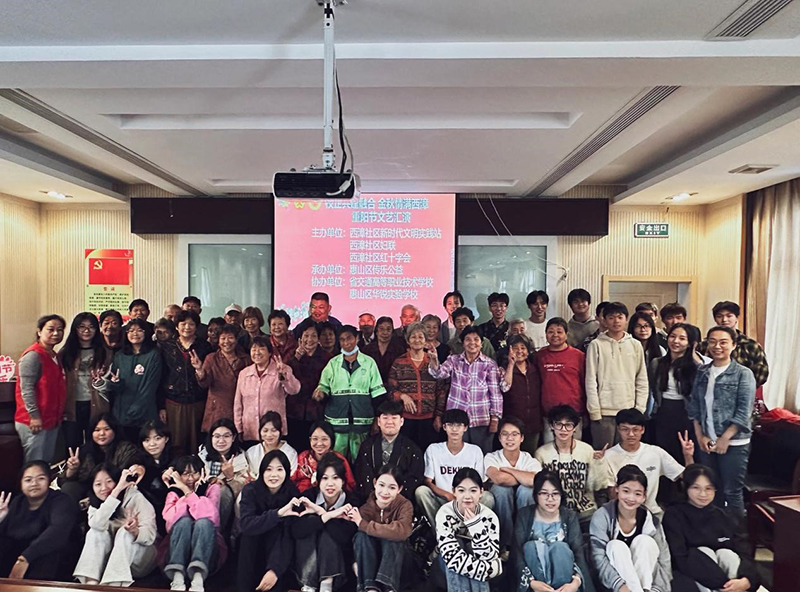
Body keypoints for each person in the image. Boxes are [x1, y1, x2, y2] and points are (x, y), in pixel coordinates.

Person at [688, 325, 756, 518]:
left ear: (733, 345)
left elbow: (744, 411)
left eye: (723, 342)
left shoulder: (743, 373)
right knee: (710, 488)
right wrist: (700, 436)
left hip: (734, 442)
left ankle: (737, 534)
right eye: (712, 342)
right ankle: (715, 530)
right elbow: (694, 407)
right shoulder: (702, 371)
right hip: (707, 441)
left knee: (731, 491)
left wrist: (725, 438)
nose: (717, 346)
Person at [663, 464, 761, 592]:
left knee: (726, 554)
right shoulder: (674, 515)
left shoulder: (726, 516)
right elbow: (680, 558)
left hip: (729, 579)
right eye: (696, 488)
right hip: (694, 577)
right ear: (685, 487)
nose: (703, 494)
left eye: (708, 488)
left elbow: (745, 553)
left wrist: (747, 580)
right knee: (703, 552)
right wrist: (723, 584)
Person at [589, 465, 671, 592]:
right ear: (617, 489)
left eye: (637, 494)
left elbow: (664, 559)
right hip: (614, 586)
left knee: (645, 541)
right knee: (615, 546)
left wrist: (659, 589)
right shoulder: (602, 516)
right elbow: (598, 559)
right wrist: (621, 586)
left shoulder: (649, 519)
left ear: (644, 496)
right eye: (626, 491)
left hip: (647, 586)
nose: (631, 498)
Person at [73, 464, 157, 586]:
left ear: (118, 480)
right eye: (98, 484)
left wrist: (135, 531)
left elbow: (150, 536)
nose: (104, 488)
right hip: (108, 563)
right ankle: (91, 583)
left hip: (140, 560)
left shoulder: (136, 497)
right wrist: (116, 492)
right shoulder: (95, 504)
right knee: (94, 532)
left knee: (125, 532)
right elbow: (96, 524)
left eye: (109, 482)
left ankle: (113, 585)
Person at [511, 471, 595, 592]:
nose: (550, 499)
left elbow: (578, 553)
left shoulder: (569, 516)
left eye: (555, 493)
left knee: (560, 548)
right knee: (530, 547)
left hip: (566, 585)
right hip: (535, 585)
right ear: (536, 495)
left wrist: (575, 583)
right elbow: (517, 553)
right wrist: (531, 582)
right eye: (544, 493)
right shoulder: (524, 515)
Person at [314, 325, 387, 462]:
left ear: (357, 338)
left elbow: (378, 395)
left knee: (361, 460)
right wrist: (320, 393)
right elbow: (323, 387)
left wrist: (377, 420)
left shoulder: (369, 363)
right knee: (336, 460)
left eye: (349, 338)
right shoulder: (333, 364)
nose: (346, 343)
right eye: (342, 339)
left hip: (363, 421)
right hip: (337, 421)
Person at [603, 409, 694, 518]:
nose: (630, 434)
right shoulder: (608, 456)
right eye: (625, 429)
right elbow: (611, 495)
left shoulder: (655, 452)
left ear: (643, 430)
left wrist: (688, 456)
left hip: (652, 512)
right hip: (622, 513)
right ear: (618, 429)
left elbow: (689, 477)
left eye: (635, 429)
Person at [415, 409, 494, 532]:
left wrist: (464, 497)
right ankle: (441, 531)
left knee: (488, 497)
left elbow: (480, 483)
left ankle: (468, 532)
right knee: (421, 491)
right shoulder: (434, 449)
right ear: (444, 427)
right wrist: (447, 495)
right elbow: (428, 481)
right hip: (442, 498)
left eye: (459, 425)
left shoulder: (475, 451)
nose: (454, 429)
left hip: (468, 500)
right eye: (450, 425)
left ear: (465, 428)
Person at [0, 461, 80, 580]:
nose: (34, 483)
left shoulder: (62, 500)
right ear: (21, 483)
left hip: (50, 558)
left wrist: (25, 558)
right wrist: (1, 519)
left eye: (40, 478)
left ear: (49, 481)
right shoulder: (17, 502)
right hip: (19, 557)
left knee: (49, 553)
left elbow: (57, 532)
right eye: (28, 480)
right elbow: (6, 537)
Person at [292, 453, 359, 592]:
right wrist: (328, 515)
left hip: (339, 569)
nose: (330, 483)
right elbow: (296, 531)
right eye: (325, 478)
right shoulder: (308, 498)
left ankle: (326, 584)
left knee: (328, 533)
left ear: (343, 481)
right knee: (310, 524)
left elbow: (346, 538)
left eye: (335, 478)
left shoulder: (352, 502)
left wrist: (321, 514)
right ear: (318, 481)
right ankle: (309, 584)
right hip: (306, 567)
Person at [585, 302, 649, 450]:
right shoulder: (596, 344)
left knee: (627, 453)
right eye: (611, 317)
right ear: (604, 320)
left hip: (629, 410)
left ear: (626, 319)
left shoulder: (635, 345)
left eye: (620, 317)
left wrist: (639, 409)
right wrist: (594, 411)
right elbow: (590, 380)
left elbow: (641, 379)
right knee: (603, 453)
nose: (616, 321)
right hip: (604, 411)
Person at [429, 326, 502, 453]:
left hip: (481, 419)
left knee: (481, 455)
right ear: (463, 343)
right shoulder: (454, 360)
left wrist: (495, 418)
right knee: (458, 455)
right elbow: (439, 374)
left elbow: (495, 394)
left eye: (476, 339)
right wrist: (434, 360)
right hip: (456, 420)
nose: (472, 343)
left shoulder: (489, 364)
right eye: (468, 339)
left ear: (481, 343)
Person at [161, 455, 227, 592]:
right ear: (178, 475)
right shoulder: (173, 491)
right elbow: (170, 522)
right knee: (184, 522)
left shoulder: (211, 488)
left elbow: (211, 516)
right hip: (175, 553)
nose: (190, 478)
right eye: (185, 474)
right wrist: (183, 492)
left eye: (195, 473)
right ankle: (177, 576)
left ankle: (198, 576)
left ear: (202, 472)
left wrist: (188, 493)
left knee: (203, 523)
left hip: (208, 554)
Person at [237, 450, 301, 592]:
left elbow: (288, 535)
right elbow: (246, 524)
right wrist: (277, 514)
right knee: (248, 536)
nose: (274, 475)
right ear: (262, 471)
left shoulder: (292, 493)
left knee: (280, 530)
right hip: (253, 550)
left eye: (279, 469)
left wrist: (275, 569)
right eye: (269, 469)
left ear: (287, 472)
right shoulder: (251, 489)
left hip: (279, 553)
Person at [94, 318, 163, 442]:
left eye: (139, 330)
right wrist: (114, 383)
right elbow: (116, 386)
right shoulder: (119, 355)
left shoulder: (154, 354)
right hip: (121, 414)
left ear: (146, 333)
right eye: (130, 331)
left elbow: (150, 387)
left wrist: (134, 411)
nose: (134, 333)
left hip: (145, 413)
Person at [435, 467, 502, 592]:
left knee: (471, 548)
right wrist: (491, 569)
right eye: (461, 490)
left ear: (481, 492)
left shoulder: (489, 517)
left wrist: (476, 527)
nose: (467, 496)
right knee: (459, 544)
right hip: (445, 565)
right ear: (454, 491)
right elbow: (451, 558)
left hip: (473, 561)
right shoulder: (444, 513)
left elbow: (489, 556)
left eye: (473, 490)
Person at [350, 464, 414, 592]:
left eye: (392, 487)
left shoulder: (405, 505)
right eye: (381, 485)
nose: (385, 492)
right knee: (361, 537)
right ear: (375, 483)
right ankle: (371, 588)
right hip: (372, 564)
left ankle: (388, 587)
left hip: (398, 564)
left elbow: (402, 531)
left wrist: (364, 524)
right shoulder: (365, 509)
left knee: (393, 537)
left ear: (399, 489)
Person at [535, 406, 606, 520]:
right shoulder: (542, 453)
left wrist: (599, 464)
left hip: (585, 510)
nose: (563, 429)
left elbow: (596, 486)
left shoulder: (587, 450)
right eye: (559, 424)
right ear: (552, 426)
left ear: (575, 428)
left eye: (568, 425)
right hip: (554, 512)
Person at [15, 314, 67, 463]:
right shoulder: (33, 355)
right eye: (50, 329)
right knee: (34, 464)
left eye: (60, 330)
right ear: (39, 331)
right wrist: (34, 416)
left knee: (46, 462)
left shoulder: (54, 355)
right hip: (34, 421)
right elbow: (26, 389)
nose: (56, 333)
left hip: (51, 419)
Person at [161, 309, 214, 454]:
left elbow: (209, 377)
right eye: (183, 324)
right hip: (173, 402)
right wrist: (161, 406)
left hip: (197, 402)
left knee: (196, 442)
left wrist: (199, 369)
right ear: (176, 326)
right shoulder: (166, 346)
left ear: (196, 327)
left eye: (191, 324)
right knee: (175, 443)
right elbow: (161, 376)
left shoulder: (204, 346)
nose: (187, 327)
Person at [485, 416, 542, 552]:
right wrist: (522, 476)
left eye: (514, 434)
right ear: (499, 438)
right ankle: (505, 543)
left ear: (522, 438)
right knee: (502, 490)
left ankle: (524, 539)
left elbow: (534, 481)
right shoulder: (491, 457)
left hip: (523, 501)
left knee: (527, 490)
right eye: (505, 434)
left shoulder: (529, 459)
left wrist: (510, 470)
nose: (509, 438)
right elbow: (499, 479)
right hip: (502, 503)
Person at [387, 322, 448, 449]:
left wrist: (438, 416)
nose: (417, 340)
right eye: (413, 337)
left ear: (425, 341)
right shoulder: (399, 362)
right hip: (405, 419)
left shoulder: (432, 362)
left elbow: (441, 391)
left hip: (429, 419)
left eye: (421, 337)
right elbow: (390, 390)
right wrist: (402, 396)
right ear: (408, 340)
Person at [59, 412, 142, 502]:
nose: (102, 433)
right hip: (90, 488)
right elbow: (64, 480)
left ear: (114, 430)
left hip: (116, 489)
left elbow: (132, 471)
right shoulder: (84, 450)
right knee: (69, 488)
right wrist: (73, 469)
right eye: (97, 430)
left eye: (107, 429)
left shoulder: (126, 448)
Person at [650, 323, 702, 464]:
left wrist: (694, 355)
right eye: (672, 336)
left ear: (690, 343)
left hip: (686, 413)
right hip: (663, 411)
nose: (676, 341)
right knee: (664, 454)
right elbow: (654, 389)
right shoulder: (657, 363)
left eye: (682, 338)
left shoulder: (696, 367)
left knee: (685, 454)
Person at [353, 400, 424, 501]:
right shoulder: (367, 446)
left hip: (400, 502)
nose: (389, 422)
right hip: (371, 500)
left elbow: (414, 479)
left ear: (401, 421)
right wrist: (376, 498)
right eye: (385, 418)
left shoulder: (412, 448)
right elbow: (362, 475)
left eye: (394, 418)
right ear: (378, 421)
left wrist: (393, 497)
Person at [234, 336, 300, 443]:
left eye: (261, 348)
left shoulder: (282, 369)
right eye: (254, 349)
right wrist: (238, 428)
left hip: (274, 431)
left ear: (269, 352)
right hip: (250, 430)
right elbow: (238, 404)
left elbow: (294, 390)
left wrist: (283, 376)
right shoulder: (244, 373)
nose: (257, 352)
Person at [60, 312, 109, 449]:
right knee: (72, 445)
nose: (86, 330)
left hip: (97, 404)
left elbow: (111, 381)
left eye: (91, 327)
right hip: (72, 405)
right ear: (75, 329)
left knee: (95, 445)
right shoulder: (65, 353)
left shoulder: (105, 352)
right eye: (81, 327)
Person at [537, 318, 587, 442]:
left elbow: (585, 383)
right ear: (546, 334)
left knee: (575, 448)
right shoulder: (539, 356)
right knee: (549, 448)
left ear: (566, 334)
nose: (555, 335)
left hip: (574, 411)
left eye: (559, 332)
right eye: (551, 332)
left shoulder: (578, 356)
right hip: (548, 413)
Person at [698, 301, 769, 388]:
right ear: (715, 319)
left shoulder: (750, 345)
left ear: (737, 318)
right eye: (719, 316)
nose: (724, 320)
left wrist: (742, 386)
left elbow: (762, 373)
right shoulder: (704, 345)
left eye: (729, 316)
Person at [194, 324, 250, 434]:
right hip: (217, 408)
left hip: (240, 406)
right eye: (223, 338)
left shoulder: (246, 359)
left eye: (230, 338)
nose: (226, 342)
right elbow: (204, 383)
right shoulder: (211, 358)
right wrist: (199, 370)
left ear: (236, 340)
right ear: (218, 342)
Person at [286, 324, 331, 452]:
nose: (309, 339)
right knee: (295, 448)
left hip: (317, 410)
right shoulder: (292, 356)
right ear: (300, 338)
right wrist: (296, 359)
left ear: (318, 339)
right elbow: (285, 377)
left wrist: (323, 393)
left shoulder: (327, 358)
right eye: (306, 336)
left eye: (313, 336)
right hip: (295, 411)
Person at [198, 418, 249, 530]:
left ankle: (217, 532)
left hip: (226, 504)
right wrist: (211, 479)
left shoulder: (241, 459)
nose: (221, 440)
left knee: (222, 491)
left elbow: (245, 489)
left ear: (233, 437)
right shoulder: (201, 454)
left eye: (226, 436)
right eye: (217, 436)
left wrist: (230, 478)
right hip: (201, 499)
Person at [500, 334, 542, 453]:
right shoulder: (503, 369)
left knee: (530, 455)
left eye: (523, 348)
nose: (519, 351)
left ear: (528, 351)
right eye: (515, 348)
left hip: (533, 422)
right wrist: (511, 364)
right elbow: (504, 387)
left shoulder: (535, 369)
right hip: (512, 422)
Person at [292, 421, 357, 494]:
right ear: (310, 440)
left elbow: (350, 485)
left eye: (324, 439)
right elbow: (292, 481)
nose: (319, 443)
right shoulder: (303, 458)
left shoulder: (339, 459)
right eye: (315, 439)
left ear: (331, 440)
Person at [137, 420, 173, 535]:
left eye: (157, 438)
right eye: (147, 440)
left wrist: (171, 469)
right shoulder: (138, 461)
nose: (152, 444)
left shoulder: (175, 456)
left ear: (166, 439)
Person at [245, 412, 299, 477]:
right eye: (265, 431)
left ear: (281, 430)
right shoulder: (252, 452)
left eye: (274, 430)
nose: (269, 435)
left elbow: (291, 475)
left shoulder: (291, 453)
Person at [361, 316, 407, 386]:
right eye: (381, 329)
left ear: (392, 332)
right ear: (376, 331)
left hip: (393, 387)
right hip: (372, 386)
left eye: (388, 329)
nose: (385, 332)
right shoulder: (366, 350)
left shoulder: (399, 350)